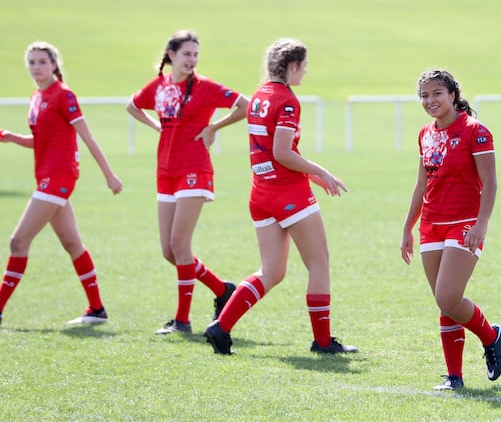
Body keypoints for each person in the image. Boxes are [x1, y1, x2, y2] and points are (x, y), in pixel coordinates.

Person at [203, 38, 356, 355]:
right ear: (292, 66)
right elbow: (282, 152)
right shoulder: (287, 101)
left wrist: (311, 175)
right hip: (288, 195)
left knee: (271, 272)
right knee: (319, 265)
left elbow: (273, 153)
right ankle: (323, 342)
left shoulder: (259, 95)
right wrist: (321, 170)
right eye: (304, 65)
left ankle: (221, 327)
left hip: (261, 194)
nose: (306, 71)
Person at [126, 30, 248, 335]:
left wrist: (214, 127)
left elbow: (245, 105)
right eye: (187, 54)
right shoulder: (159, 87)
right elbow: (132, 105)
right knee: (169, 251)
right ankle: (222, 289)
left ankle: (182, 321)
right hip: (165, 171)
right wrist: (158, 126)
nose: (192, 60)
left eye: (195, 54)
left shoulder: (205, 87)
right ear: (171, 55)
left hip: (194, 169)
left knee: (180, 244)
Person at [0, 41, 123, 327]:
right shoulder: (36, 97)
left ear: (54, 64)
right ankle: (97, 309)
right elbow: (41, 141)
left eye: (42, 61)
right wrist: (10, 137)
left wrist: (109, 175)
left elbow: (87, 136)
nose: (36, 67)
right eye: (31, 62)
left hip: (59, 178)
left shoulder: (63, 95)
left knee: (18, 241)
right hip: (46, 177)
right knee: (71, 243)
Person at [400, 69, 501, 391]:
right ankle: (454, 377)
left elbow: (490, 182)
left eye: (436, 94)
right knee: (444, 302)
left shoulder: (476, 131)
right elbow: (421, 184)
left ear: (452, 95)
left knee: (448, 296)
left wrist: (481, 224)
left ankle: (491, 335)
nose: (430, 101)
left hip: (465, 223)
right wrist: (408, 227)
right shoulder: (424, 134)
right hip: (432, 224)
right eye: (424, 95)